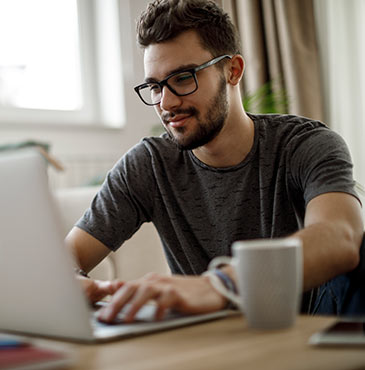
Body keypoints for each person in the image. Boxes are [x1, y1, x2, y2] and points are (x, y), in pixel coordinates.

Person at [65, 0, 363, 323]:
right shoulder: (148, 165)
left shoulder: (305, 145)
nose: (166, 102)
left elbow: (342, 235)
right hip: (207, 340)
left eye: (183, 78)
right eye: (154, 86)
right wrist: (68, 282)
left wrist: (221, 284)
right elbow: (66, 256)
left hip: (303, 329)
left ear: (232, 70)